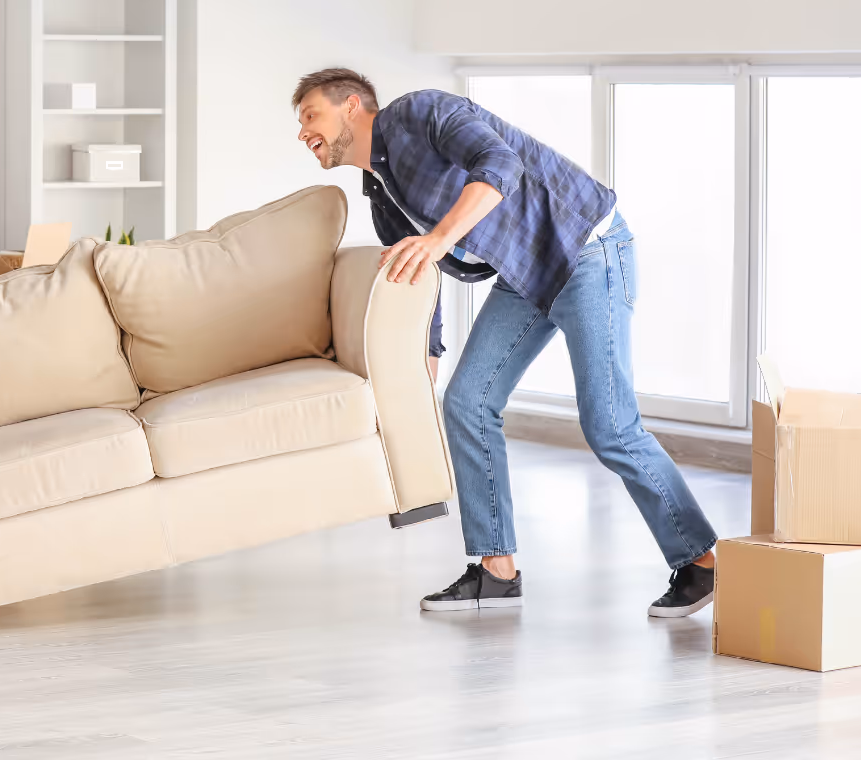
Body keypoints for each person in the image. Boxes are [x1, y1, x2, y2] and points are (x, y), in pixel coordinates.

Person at [292, 67, 718, 618]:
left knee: (610, 424)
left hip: (586, 250)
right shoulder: (379, 191)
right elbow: (420, 279)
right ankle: (496, 571)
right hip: (527, 273)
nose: (302, 132)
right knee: (466, 402)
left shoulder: (421, 112)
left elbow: (501, 164)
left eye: (309, 116)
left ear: (352, 105)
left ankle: (702, 561)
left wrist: (439, 236)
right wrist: (422, 371)